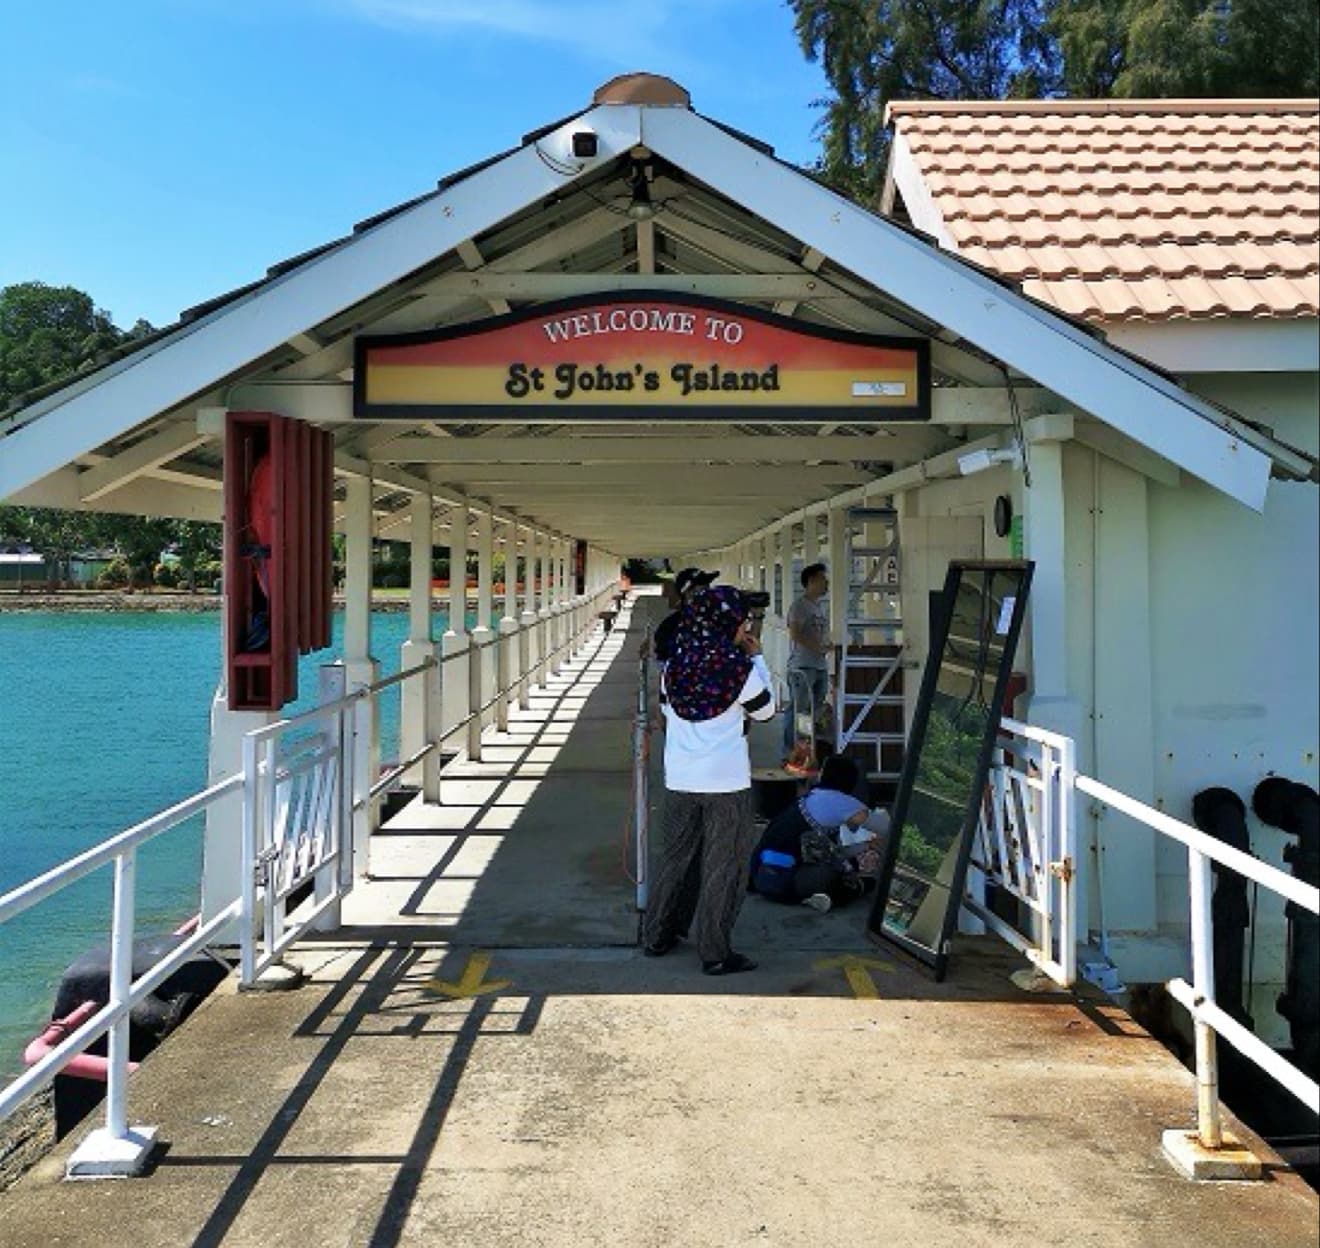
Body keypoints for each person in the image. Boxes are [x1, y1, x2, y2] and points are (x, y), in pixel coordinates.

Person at [643, 585, 776, 975]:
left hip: (680, 778)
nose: (745, 627)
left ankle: (658, 935)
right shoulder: (740, 669)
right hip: (726, 783)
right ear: (729, 624)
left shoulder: (675, 666)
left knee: (674, 859)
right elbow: (767, 712)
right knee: (724, 867)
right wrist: (759, 658)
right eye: (742, 621)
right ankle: (715, 953)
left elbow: (667, 714)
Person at [749, 755, 890, 913]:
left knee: (844, 866)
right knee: (849, 876)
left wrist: (866, 845)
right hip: (785, 881)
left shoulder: (811, 797)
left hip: (761, 879)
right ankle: (833, 896)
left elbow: (833, 851)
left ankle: (816, 897)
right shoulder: (842, 803)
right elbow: (889, 828)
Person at [783, 562, 832, 764]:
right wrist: (817, 647)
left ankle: (805, 750)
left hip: (819, 665)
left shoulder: (818, 607)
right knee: (799, 710)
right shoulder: (800, 606)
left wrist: (826, 646)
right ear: (811, 581)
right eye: (823, 579)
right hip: (802, 666)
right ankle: (789, 751)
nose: (827, 583)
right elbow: (795, 633)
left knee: (815, 710)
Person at [646, 566, 717, 664]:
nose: (709, 594)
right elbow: (664, 662)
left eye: (708, 588)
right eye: (702, 589)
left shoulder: (719, 620)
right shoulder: (670, 627)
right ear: (688, 594)